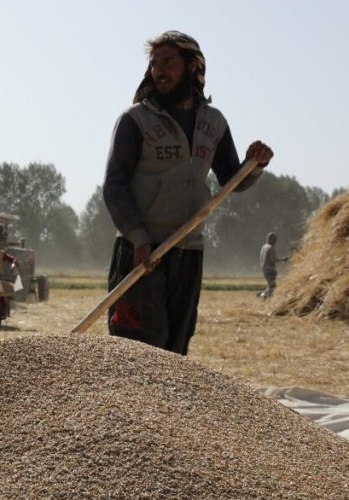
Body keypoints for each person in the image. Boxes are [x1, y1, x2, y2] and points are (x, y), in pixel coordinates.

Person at [102, 31, 274, 355]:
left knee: (176, 352)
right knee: (135, 352)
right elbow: (115, 185)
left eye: (168, 61)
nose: (158, 70)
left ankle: (166, 409)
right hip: (142, 252)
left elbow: (231, 180)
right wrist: (138, 238)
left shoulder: (214, 121)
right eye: (153, 64)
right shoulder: (135, 120)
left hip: (188, 252)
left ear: (192, 65)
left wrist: (255, 165)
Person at [259, 232, 288, 299]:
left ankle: (264, 296)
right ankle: (263, 296)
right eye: (275, 240)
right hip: (270, 270)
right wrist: (283, 259)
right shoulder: (270, 248)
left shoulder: (264, 247)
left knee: (270, 285)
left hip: (264, 269)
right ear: (274, 240)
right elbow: (273, 259)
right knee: (272, 287)